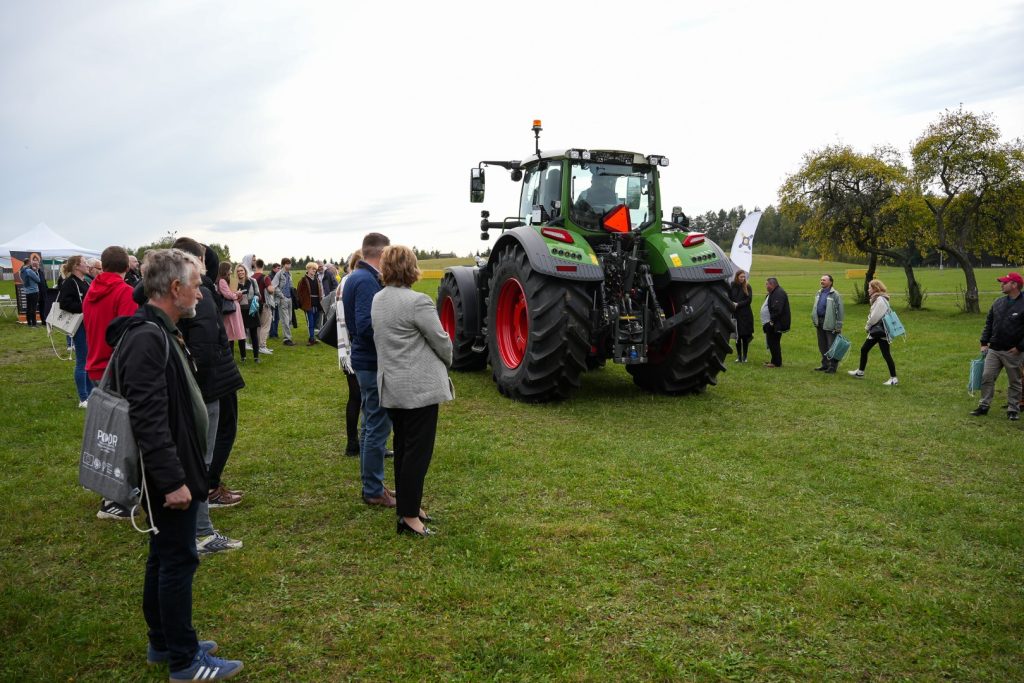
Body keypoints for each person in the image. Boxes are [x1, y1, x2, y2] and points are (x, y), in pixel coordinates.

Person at [108, 248, 243, 681]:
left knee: (163, 556)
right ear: (173, 288)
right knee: (178, 560)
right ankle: (184, 660)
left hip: (175, 467)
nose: (200, 295)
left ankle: (163, 642)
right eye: (194, 285)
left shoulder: (160, 329)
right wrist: (172, 481)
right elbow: (148, 418)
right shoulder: (148, 336)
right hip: (171, 474)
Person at [372, 245, 453, 536]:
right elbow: (441, 340)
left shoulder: (378, 299)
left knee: (405, 449)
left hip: (392, 387)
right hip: (418, 389)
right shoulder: (418, 302)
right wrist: (449, 359)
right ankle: (408, 518)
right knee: (417, 453)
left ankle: (409, 505)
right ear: (411, 268)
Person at [173, 238, 245, 555]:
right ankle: (202, 532)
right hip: (207, 386)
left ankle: (192, 527)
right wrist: (202, 390)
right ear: (197, 259)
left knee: (193, 458)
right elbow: (201, 347)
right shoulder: (196, 296)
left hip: (201, 384)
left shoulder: (185, 292)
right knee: (200, 459)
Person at [83, 245, 141, 521]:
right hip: (115, 369)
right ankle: (116, 500)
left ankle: (110, 492)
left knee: (109, 433)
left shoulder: (91, 291)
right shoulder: (124, 292)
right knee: (123, 435)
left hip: (95, 366)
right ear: (127, 267)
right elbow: (129, 336)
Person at [343, 232, 395, 508]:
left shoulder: (358, 277)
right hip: (372, 363)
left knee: (370, 427)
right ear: (382, 253)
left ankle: (372, 484)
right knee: (377, 427)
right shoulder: (364, 280)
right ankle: (374, 490)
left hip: (365, 361)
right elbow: (365, 324)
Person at [971, 272, 1024, 420]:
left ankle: (1013, 409)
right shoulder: (998, 302)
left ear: (1014, 285)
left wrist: (1020, 347)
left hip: (1013, 352)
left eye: (1005, 282)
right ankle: (984, 406)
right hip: (994, 349)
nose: (1002, 284)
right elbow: (989, 323)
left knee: (1015, 381)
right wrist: (984, 342)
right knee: (987, 377)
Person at [57, 255, 94, 406]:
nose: (87, 266)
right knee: (82, 361)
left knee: (89, 360)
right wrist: (85, 308)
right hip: (79, 326)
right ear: (76, 267)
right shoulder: (70, 282)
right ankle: (83, 398)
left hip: (88, 324)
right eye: (84, 263)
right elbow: (64, 304)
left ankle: (91, 394)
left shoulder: (84, 281)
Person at [847, 279, 899, 386]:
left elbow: (875, 317)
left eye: (870, 287)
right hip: (877, 331)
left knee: (886, 354)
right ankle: (860, 372)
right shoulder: (877, 299)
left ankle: (894, 378)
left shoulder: (880, 300)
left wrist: (867, 326)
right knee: (864, 349)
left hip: (880, 331)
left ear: (875, 288)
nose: (868, 289)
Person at [337, 250, 362, 456]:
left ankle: (352, 443)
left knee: (354, 396)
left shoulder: (344, 282)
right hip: (355, 347)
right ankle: (360, 442)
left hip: (345, 348)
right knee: (362, 397)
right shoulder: (355, 282)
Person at [811, 274, 844, 373]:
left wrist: (838, 325)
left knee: (831, 345)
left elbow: (840, 311)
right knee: (822, 345)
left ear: (830, 282)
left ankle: (833, 367)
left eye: (824, 280)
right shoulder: (818, 292)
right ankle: (825, 364)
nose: (821, 281)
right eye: (821, 280)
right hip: (819, 322)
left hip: (830, 323)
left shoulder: (835, 294)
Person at [216, 262, 246, 359]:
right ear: (225, 270)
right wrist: (236, 294)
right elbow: (227, 294)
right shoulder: (222, 281)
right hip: (230, 310)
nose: (231, 271)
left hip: (233, 307)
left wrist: (236, 295)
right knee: (230, 332)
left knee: (233, 332)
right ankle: (230, 356)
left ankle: (234, 356)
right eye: (230, 269)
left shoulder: (225, 280)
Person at [761, 277, 790, 368]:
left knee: (773, 342)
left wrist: (771, 322)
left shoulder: (778, 293)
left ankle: (776, 363)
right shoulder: (774, 292)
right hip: (774, 322)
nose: (766, 286)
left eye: (767, 284)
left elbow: (777, 310)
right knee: (772, 342)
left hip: (776, 323)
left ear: (772, 284)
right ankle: (774, 360)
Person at [235, 264, 261, 362]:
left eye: (242, 270)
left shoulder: (253, 281)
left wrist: (256, 298)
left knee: (254, 334)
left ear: (245, 271)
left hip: (252, 310)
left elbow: (258, 294)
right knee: (241, 335)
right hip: (240, 311)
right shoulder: (234, 283)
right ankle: (243, 357)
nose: (240, 272)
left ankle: (256, 357)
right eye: (238, 271)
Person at [729, 270, 754, 363]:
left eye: (744, 277)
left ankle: (745, 357)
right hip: (736, 314)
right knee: (737, 336)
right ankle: (739, 356)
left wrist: (738, 304)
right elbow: (729, 297)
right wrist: (731, 304)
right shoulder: (732, 286)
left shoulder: (747, 286)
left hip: (746, 315)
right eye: (741, 277)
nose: (743, 279)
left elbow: (749, 300)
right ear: (737, 277)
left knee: (745, 336)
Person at [297, 261, 323, 346]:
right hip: (308, 305)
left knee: (315, 322)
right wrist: (302, 303)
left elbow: (320, 292)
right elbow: (299, 293)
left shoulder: (317, 279)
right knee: (310, 323)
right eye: (313, 269)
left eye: (315, 269)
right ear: (308, 269)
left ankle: (313, 338)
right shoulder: (303, 280)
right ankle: (311, 339)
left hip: (317, 304)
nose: (314, 271)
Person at [252, 259, 274, 355]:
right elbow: (270, 290)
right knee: (265, 326)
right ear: (263, 266)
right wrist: (273, 287)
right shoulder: (266, 278)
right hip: (264, 304)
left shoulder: (251, 277)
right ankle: (262, 346)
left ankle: (257, 345)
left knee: (257, 326)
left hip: (253, 305)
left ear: (255, 266)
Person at [271, 258, 294, 346]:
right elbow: (274, 286)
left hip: (289, 299)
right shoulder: (279, 274)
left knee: (289, 319)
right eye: (287, 264)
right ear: (283, 265)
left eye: (290, 264)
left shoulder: (289, 274)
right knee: (285, 319)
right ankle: (287, 339)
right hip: (283, 299)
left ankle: (287, 337)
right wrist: (282, 296)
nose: (289, 266)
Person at [20, 254, 44, 326]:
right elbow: (38, 279)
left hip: (27, 291)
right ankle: (34, 324)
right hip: (33, 291)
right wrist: (36, 271)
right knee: (33, 308)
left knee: (28, 307)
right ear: (29, 263)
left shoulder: (22, 271)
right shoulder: (29, 271)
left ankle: (29, 323)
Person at [267, 263, 281, 339]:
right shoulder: (270, 277)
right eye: (278, 268)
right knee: (273, 317)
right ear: (273, 269)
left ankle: (275, 332)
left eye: (280, 268)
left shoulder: (278, 276)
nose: (279, 270)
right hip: (272, 299)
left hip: (277, 299)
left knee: (277, 317)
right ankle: (272, 333)